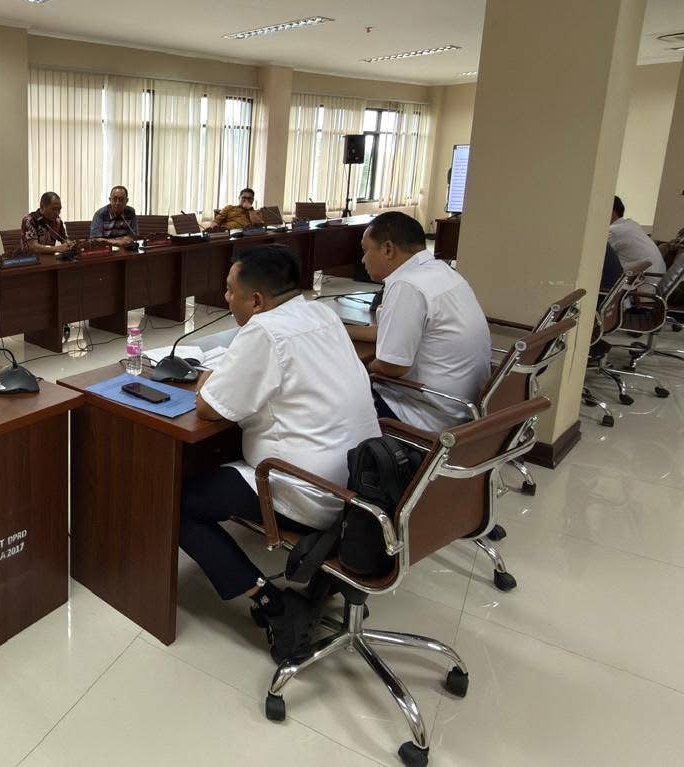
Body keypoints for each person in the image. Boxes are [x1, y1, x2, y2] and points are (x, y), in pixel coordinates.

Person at [180, 245, 380, 663]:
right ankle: (319, 577)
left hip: (307, 488)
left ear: (256, 300)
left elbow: (209, 407)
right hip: (361, 481)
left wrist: (207, 378)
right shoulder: (322, 313)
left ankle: (272, 604)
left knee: (176, 504)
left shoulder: (264, 331)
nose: (226, 298)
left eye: (230, 291)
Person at [345, 211, 491, 430]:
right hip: (462, 407)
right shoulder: (441, 271)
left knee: (334, 389)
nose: (363, 259)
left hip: (424, 413)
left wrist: (362, 367)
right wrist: (343, 329)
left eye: (366, 250)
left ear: (387, 249)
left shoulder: (407, 285)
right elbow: (390, 331)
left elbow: (392, 366)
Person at [608, 195, 666, 276]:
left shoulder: (614, 231)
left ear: (612, 212)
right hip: (656, 277)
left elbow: (596, 253)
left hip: (642, 279)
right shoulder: (631, 224)